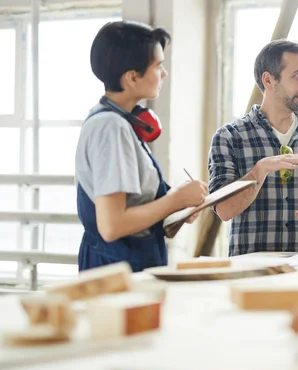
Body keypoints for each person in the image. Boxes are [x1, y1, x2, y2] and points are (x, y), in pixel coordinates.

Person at [75, 21, 207, 272]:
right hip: (116, 269)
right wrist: (175, 199)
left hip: (130, 263)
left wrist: (178, 206)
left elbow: (135, 207)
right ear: (132, 77)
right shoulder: (110, 127)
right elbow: (112, 225)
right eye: (158, 66)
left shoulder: (119, 121)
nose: (164, 74)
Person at [208, 39, 298, 256]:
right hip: (251, 274)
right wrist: (260, 170)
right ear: (269, 80)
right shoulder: (229, 137)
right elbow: (224, 211)